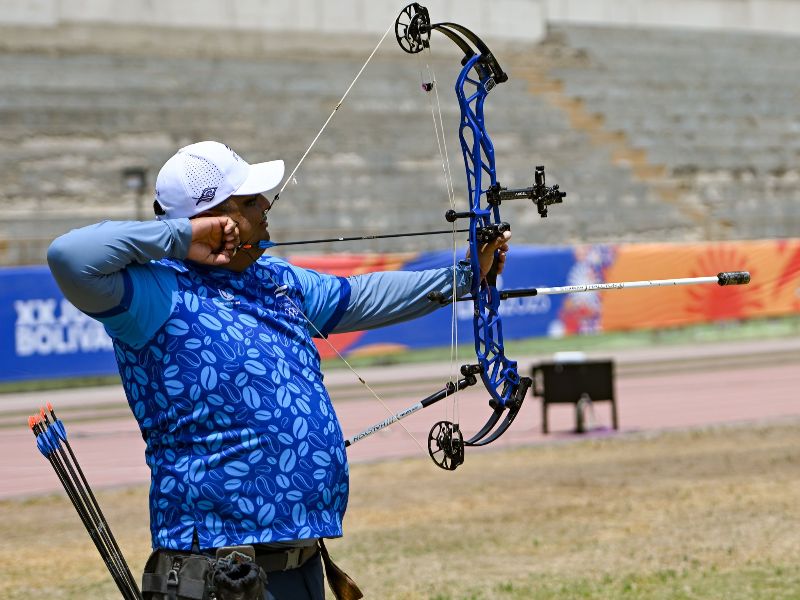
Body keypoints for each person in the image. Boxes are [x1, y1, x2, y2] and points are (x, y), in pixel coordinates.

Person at [47, 141, 510, 600]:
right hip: (216, 569)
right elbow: (70, 256)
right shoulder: (152, 292)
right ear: (211, 219)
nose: (266, 206)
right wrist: (182, 237)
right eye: (249, 202)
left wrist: (467, 274)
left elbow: (366, 296)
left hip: (302, 559)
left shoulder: (274, 279)